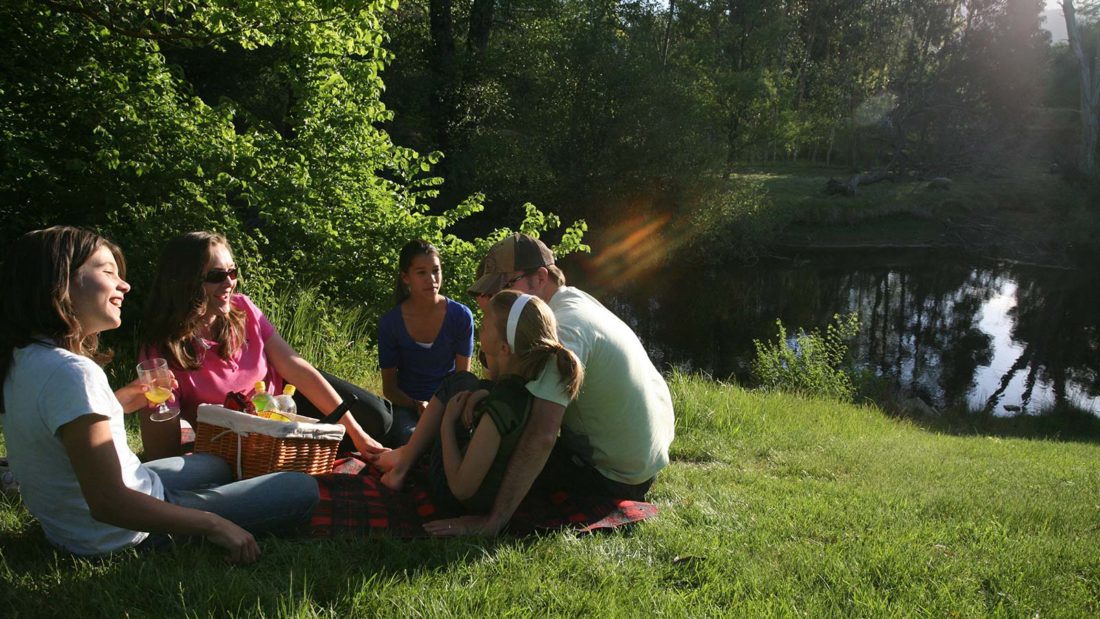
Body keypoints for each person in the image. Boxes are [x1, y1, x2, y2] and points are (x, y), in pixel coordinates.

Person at [0, 226, 318, 564]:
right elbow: (109, 502)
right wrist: (213, 524)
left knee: (216, 464)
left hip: (73, 527)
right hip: (122, 534)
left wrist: (121, 399)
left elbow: (64, 428)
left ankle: (184, 498)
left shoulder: (24, 360)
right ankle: (189, 507)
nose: (124, 285)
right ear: (61, 283)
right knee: (301, 489)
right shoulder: (71, 373)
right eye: (108, 272)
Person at [422, 233, 676, 537]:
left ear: (539, 278)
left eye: (504, 287)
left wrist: (494, 521)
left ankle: (426, 465)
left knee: (499, 440)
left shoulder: (564, 328)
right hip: (639, 465)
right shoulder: (574, 302)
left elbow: (541, 434)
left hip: (614, 477)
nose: (497, 301)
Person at [139, 231, 392, 460]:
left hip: (286, 403)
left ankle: (405, 417)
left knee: (377, 420)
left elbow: (295, 366)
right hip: (245, 434)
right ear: (185, 282)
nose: (229, 283)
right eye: (217, 276)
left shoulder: (244, 309)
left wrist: (357, 433)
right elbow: (161, 451)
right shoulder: (163, 350)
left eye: (232, 272)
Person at [375, 291, 581, 515]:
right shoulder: (529, 388)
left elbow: (461, 488)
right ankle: (404, 456)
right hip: (483, 491)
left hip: (454, 497)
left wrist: (447, 425)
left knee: (458, 380)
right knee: (469, 383)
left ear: (504, 348)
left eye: (485, 324)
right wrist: (483, 391)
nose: (480, 328)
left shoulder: (501, 405)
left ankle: (400, 469)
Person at [378, 239, 474, 443]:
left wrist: (444, 411)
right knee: (411, 439)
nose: (432, 279)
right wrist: (416, 404)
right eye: (421, 272)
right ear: (406, 277)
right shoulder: (390, 323)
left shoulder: (461, 316)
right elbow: (390, 389)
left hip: (449, 405)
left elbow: (462, 379)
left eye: (436, 271)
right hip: (408, 408)